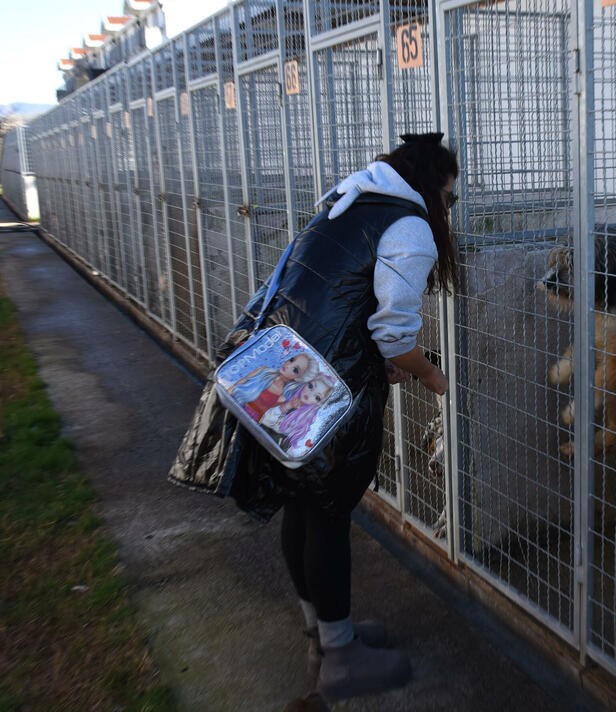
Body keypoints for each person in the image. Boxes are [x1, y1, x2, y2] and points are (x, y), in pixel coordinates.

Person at [168, 132, 459, 703]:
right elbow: (394, 333)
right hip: (326, 385)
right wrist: (429, 375)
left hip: (286, 369)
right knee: (327, 510)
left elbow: (335, 295)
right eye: (449, 195)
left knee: (303, 502)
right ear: (429, 186)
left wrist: (386, 361)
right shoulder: (411, 225)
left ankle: (323, 631)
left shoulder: (347, 200)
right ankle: (341, 657)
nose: (449, 208)